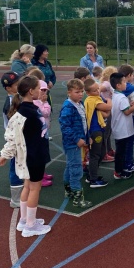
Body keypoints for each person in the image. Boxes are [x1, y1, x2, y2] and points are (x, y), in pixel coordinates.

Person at [0, 76, 51, 237]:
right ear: (31, 91)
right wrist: (5, 154)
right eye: (38, 88)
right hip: (33, 156)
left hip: (34, 154)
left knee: (27, 186)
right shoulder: (25, 113)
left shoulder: (31, 108)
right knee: (34, 188)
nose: (41, 91)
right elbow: (12, 136)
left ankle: (24, 220)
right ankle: (30, 226)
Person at [59, 79, 92, 208]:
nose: (80, 94)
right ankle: (77, 198)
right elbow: (65, 127)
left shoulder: (80, 104)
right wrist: (77, 139)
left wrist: (87, 137)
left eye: (81, 91)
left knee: (70, 166)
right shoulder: (68, 108)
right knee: (76, 169)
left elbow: (84, 123)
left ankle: (69, 191)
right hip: (72, 144)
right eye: (77, 92)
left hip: (77, 141)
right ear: (69, 92)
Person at [1, 71, 24, 207]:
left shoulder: (17, 98)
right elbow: (14, 125)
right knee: (16, 167)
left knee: (21, 165)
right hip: (15, 140)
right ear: (8, 88)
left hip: (20, 138)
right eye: (16, 84)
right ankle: (16, 199)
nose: (19, 85)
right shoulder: (11, 103)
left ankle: (22, 194)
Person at [83, 78, 111, 188]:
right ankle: (93, 179)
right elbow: (108, 107)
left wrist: (106, 108)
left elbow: (106, 114)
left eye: (98, 89)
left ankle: (92, 174)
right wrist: (109, 99)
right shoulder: (92, 100)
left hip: (100, 129)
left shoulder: (96, 100)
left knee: (102, 153)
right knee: (95, 155)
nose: (97, 91)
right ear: (88, 92)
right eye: (94, 90)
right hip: (95, 131)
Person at [110, 72, 134, 180]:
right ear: (118, 85)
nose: (126, 84)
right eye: (124, 82)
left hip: (119, 128)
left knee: (121, 151)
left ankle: (121, 169)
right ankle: (119, 172)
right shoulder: (121, 97)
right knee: (121, 152)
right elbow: (127, 112)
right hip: (123, 129)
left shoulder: (115, 95)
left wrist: (129, 106)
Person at [118, 64, 134, 173]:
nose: (133, 77)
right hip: (131, 116)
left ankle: (123, 163)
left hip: (119, 116)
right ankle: (129, 163)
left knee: (122, 142)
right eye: (132, 75)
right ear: (129, 75)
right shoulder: (131, 87)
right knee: (130, 140)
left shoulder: (116, 88)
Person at [33, 80, 54, 186]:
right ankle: (38, 177)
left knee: (44, 153)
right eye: (43, 90)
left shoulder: (41, 102)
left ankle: (42, 173)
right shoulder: (35, 103)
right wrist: (44, 103)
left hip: (44, 131)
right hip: (39, 133)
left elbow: (48, 112)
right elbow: (45, 112)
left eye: (46, 90)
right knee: (39, 155)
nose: (44, 93)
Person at [99, 65, 117, 162]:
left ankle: (109, 149)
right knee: (106, 132)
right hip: (107, 109)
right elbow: (99, 89)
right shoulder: (107, 83)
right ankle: (104, 153)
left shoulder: (108, 84)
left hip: (109, 109)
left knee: (108, 132)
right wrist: (102, 99)